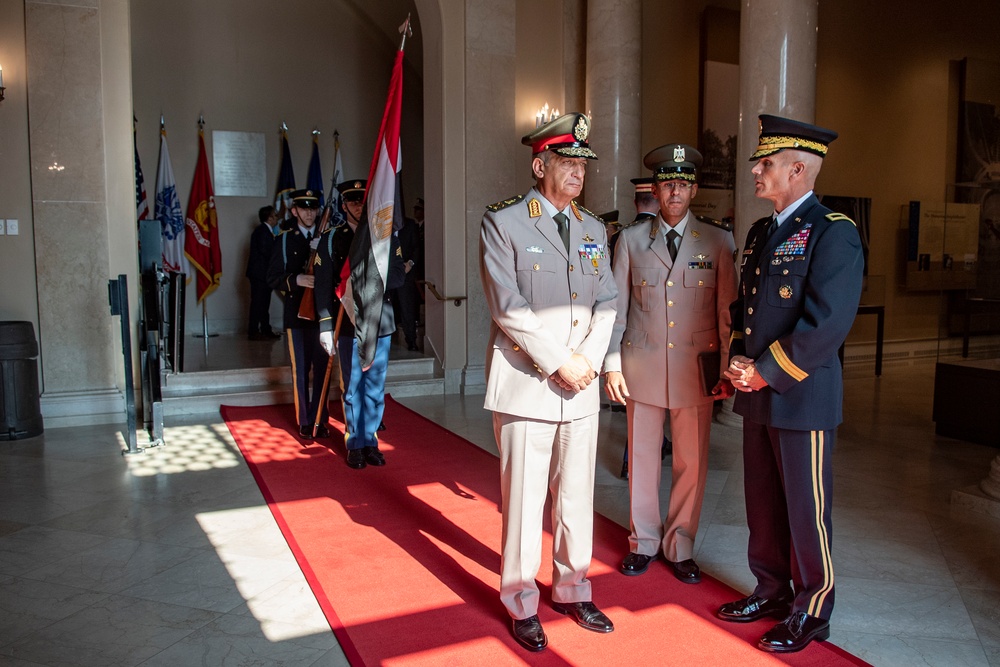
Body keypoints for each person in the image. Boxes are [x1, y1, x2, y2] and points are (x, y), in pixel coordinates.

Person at [717, 115, 863, 653]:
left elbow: (827, 322)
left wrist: (765, 370)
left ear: (798, 169)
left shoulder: (834, 232)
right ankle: (773, 590)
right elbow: (746, 307)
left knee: (806, 507)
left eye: (767, 163)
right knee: (763, 501)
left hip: (801, 395)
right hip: (757, 392)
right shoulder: (762, 231)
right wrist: (737, 358)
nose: (756, 170)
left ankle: (813, 608)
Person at [479, 112, 618, 653]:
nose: (579, 170)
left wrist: (586, 360)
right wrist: (560, 361)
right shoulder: (505, 222)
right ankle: (519, 600)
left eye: (584, 162)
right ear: (541, 165)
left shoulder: (592, 229)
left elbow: (607, 300)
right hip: (527, 383)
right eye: (567, 161)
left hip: (579, 387)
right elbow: (507, 306)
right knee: (523, 501)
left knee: (577, 497)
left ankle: (573, 588)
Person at [603, 144, 737, 585]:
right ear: (655, 191)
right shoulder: (631, 240)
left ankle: (680, 544)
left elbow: (725, 312)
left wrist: (727, 369)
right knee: (642, 458)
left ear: (694, 189)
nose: (675, 190)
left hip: (695, 369)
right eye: (667, 183)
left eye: (683, 183)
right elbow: (616, 309)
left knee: (692, 462)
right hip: (640, 364)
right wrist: (612, 363)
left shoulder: (718, 240)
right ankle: (643, 542)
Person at [315, 179, 405, 469]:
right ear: (344, 205)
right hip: (348, 324)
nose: (357, 206)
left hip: (380, 321)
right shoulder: (331, 238)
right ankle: (355, 443)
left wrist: (369, 280)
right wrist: (325, 325)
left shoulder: (385, 235)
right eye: (352, 201)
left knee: (375, 387)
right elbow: (323, 284)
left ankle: (371, 441)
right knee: (353, 387)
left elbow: (399, 277)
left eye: (362, 201)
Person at [267, 189, 330, 440]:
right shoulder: (283, 240)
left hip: (323, 314)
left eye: (313, 208)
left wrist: (322, 250)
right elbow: (272, 277)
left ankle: (320, 419)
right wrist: (297, 279)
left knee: (323, 369)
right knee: (301, 370)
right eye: (303, 209)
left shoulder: (327, 236)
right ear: (294, 211)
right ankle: (305, 420)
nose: (309, 213)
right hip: (297, 314)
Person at [245, 205, 281, 340]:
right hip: (259, 275)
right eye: (275, 215)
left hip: (262, 275)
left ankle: (265, 329)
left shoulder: (265, 231)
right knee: (258, 303)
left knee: (263, 303)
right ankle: (254, 331)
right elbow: (267, 252)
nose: (277, 218)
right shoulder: (262, 232)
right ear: (270, 218)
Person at [395, 200, 422, 351]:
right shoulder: (381, 225)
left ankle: (411, 341)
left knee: (407, 309)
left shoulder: (410, 224)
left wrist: (410, 263)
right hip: (386, 273)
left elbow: (417, 248)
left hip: (405, 273)